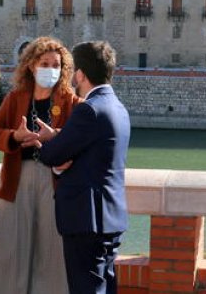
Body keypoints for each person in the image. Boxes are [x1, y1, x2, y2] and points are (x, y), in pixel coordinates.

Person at [0, 37, 81, 294]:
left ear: (64, 68)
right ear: (31, 66)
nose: (51, 69)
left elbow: (87, 137)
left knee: (52, 249)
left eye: (56, 64)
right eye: (44, 63)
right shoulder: (15, 98)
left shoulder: (72, 102)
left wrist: (57, 135)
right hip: (18, 179)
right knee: (11, 247)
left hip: (55, 181)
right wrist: (14, 136)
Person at [36, 41, 130, 294]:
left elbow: (51, 155)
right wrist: (58, 139)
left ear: (80, 74)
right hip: (110, 217)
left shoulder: (89, 109)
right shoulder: (118, 108)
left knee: (86, 289)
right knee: (105, 287)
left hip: (87, 220)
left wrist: (45, 141)